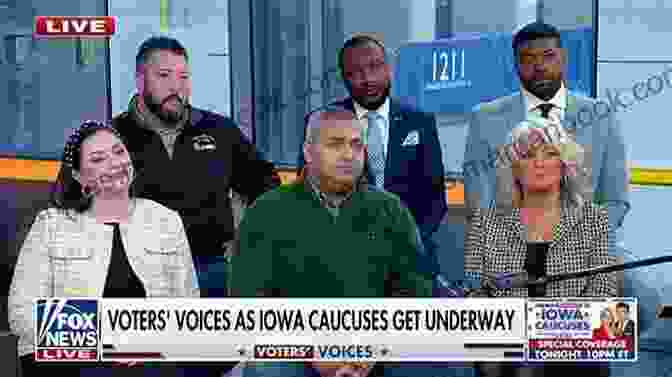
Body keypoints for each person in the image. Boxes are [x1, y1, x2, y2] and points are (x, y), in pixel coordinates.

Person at [233, 106, 433, 377]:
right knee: (268, 368)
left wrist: (373, 348)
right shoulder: (267, 212)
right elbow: (250, 304)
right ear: (308, 152)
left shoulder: (390, 210)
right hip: (297, 351)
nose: (348, 154)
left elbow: (414, 295)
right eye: (335, 144)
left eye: (356, 144)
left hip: (375, 347)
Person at [8, 120, 197, 377]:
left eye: (119, 152)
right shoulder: (51, 225)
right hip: (71, 358)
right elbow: (22, 312)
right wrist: (103, 340)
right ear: (77, 175)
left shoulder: (166, 220)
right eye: (98, 159)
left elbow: (187, 309)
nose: (115, 163)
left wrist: (148, 342)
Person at [111, 36, 281, 300]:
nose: (176, 87)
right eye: (164, 75)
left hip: (212, 270)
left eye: (183, 77)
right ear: (140, 79)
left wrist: (249, 239)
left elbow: (265, 183)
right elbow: (77, 206)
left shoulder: (220, 130)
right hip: (138, 275)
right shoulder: (111, 137)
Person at [464, 117, 615, 377]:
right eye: (528, 155)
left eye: (550, 153)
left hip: (574, 357)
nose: (540, 163)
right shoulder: (486, 222)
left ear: (565, 164)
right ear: (513, 167)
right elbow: (473, 292)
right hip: (504, 358)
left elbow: (604, 299)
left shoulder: (594, 219)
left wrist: (543, 332)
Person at [296, 34, 447, 285]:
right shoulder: (322, 123)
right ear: (343, 77)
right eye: (356, 72)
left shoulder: (419, 122)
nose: (368, 79)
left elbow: (434, 199)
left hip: (411, 261)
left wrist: (405, 243)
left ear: (388, 68)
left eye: (375, 67)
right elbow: (310, 196)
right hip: (342, 264)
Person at [463, 21, 629, 237]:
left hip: (585, 256)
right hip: (511, 259)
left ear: (563, 58)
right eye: (528, 59)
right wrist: (517, 249)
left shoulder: (601, 115)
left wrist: (573, 245)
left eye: (548, 56)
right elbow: (479, 205)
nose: (539, 66)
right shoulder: (484, 119)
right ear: (515, 64)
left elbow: (616, 200)